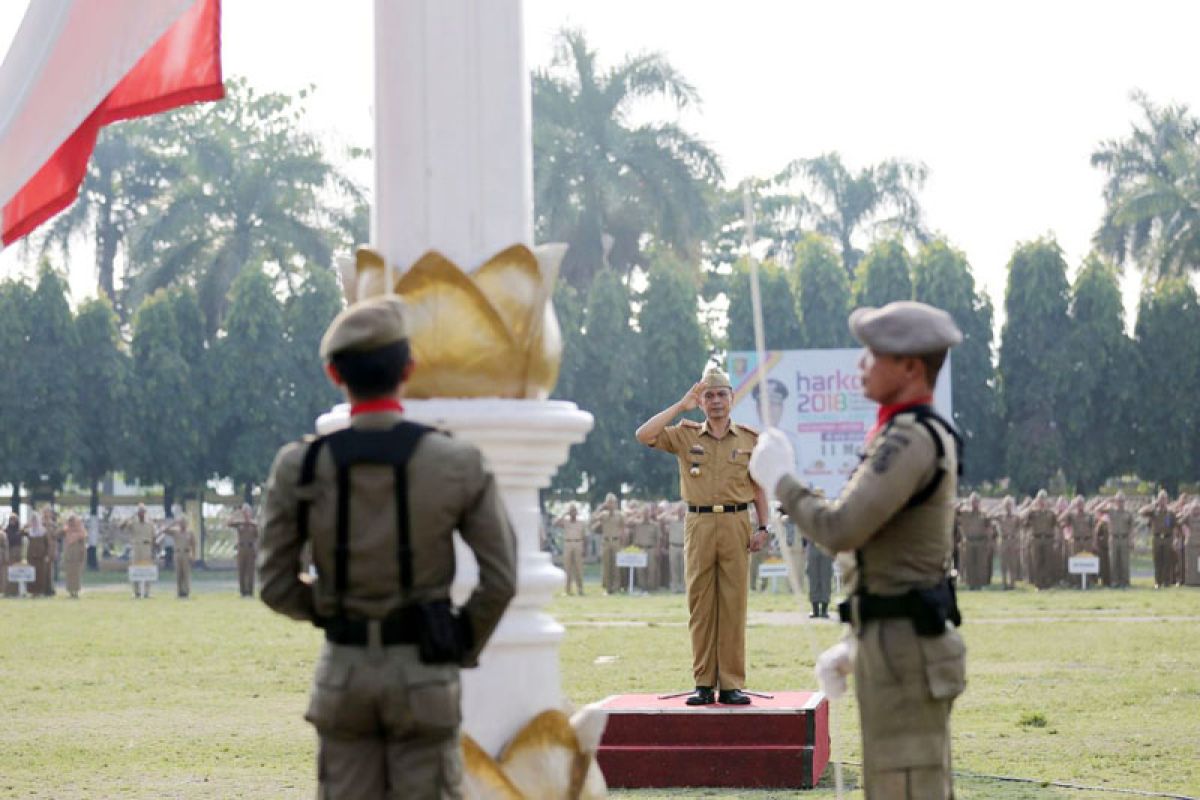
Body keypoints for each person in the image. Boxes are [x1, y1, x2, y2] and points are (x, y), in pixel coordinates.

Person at [257, 295, 517, 798]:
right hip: (424, 669)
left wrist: (333, 610)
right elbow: (501, 579)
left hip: (344, 672)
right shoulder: (455, 461)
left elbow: (273, 584)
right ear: (409, 370)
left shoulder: (302, 466)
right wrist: (458, 640)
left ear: (335, 375)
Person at [750, 300, 966, 799]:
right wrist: (857, 641)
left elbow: (841, 528)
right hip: (894, 643)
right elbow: (887, 554)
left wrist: (782, 481)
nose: (860, 365)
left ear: (911, 368)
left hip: (906, 651)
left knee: (907, 791)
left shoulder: (909, 438)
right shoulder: (900, 432)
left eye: (874, 354)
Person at [636, 366, 769, 707]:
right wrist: (680, 406)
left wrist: (763, 526)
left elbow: (759, 489)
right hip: (699, 523)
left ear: (732, 398)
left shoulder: (750, 440)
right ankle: (704, 683)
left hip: (737, 523)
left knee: (733, 604)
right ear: (701, 401)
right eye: (708, 396)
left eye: (721, 394)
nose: (716, 402)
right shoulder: (685, 435)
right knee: (700, 605)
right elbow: (644, 435)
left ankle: (731, 684)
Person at [1021, 491, 1058, 590]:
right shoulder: (1032, 513)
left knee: (1048, 562)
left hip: (1048, 539)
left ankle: (1047, 584)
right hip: (1036, 539)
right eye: (1040, 499)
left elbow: (1056, 525)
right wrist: (1030, 507)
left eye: (1043, 499)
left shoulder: (1051, 513)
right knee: (1037, 562)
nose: (1042, 501)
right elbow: (1023, 520)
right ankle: (1038, 584)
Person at [120, 504, 158, 598]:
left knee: (147, 569)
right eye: (140, 512)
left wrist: (154, 550)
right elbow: (121, 527)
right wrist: (130, 517)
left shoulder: (150, 523)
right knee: (135, 570)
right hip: (136, 547)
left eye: (143, 512)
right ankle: (136, 592)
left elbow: (154, 537)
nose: (141, 514)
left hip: (147, 546)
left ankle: (146, 592)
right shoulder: (133, 522)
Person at [1096, 493, 1134, 588]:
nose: (1120, 503)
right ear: (1115, 501)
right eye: (1118, 501)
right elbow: (1098, 510)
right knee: (1113, 561)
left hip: (1124, 538)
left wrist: (1131, 540)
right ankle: (1115, 581)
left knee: (1124, 562)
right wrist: (1108, 500)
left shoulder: (1128, 513)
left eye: (1122, 501)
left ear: (1124, 502)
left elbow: (1131, 528)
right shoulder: (1111, 511)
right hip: (1113, 538)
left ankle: (1125, 582)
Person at [590, 493, 625, 594]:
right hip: (606, 541)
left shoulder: (620, 515)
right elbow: (592, 519)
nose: (611, 505)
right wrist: (600, 508)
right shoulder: (603, 515)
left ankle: (616, 587)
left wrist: (622, 543)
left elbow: (623, 529)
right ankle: (608, 588)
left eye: (612, 502)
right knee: (606, 566)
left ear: (616, 503)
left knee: (616, 566)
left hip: (616, 541)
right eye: (609, 502)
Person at [1139, 491, 1176, 588]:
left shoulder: (1170, 513)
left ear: (1167, 500)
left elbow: (1174, 526)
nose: (1163, 501)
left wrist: (1174, 540)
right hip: (1157, 538)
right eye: (1161, 499)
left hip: (1168, 538)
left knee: (1167, 560)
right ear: (1158, 500)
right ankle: (1157, 582)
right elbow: (1141, 512)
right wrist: (1153, 504)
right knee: (1157, 561)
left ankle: (1166, 582)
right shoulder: (1153, 511)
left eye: (1164, 499)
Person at [956, 493, 991, 590]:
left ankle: (979, 584)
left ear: (979, 503)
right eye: (972, 501)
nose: (974, 503)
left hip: (981, 541)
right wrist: (962, 503)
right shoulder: (965, 513)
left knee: (980, 564)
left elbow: (988, 527)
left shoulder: (983, 514)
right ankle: (971, 584)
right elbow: (954, 511)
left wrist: (988, 541)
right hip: (969, 541)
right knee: (969, 563)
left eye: (976, 501)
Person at [990, 496, 1021, 589]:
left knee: (1013, 563)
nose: (1008, 507)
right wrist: (999, 507)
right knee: (1003, 563)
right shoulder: (1000, 516)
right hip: (1003, 540)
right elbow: (990, 515)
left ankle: (1012, 584)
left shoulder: (1016, 517)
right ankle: (1004, 583)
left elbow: (1020, 525)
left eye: (1010, 505)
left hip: (1012, 540)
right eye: (1006, 505)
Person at [554, 504, 586, 596]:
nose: (573, 513)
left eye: (574, 511)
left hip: (578, 543)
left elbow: (585, 536)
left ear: (577, 512)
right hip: (568, 543)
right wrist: (564, 514)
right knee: (567, 568)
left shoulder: (581, 522)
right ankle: (567, 590)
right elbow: (555, 523)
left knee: (578, 568)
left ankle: (580, 589)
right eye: (571, 511)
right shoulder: (566, 521)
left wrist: (584, 549)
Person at [229, 504, 259, 598]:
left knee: (250, 571)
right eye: (244, 512)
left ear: (250, 513)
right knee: (241, 570)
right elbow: (229, 523)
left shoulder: (254, 524)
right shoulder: (239, 523)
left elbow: (259, 535)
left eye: (247, 512)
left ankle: (250, 592)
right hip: (241, 549)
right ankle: (243, 592)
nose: (246, 514)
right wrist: (236, 514)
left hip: (250, 549)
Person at [163, 515, 197, 598]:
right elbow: (164, 530)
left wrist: (193, 555)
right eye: (181, 522)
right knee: (178, 574)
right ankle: (179, 592)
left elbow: (193, 544)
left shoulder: (190, 532)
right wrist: (173, 523)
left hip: (186, 554)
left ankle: (186, 592)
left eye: (184, 523)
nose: (182, 524)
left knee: (186, 573)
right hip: (177, 554)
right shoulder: (175, 531)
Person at [25, 511, 51, 596]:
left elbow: (48, 544)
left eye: (35, 520)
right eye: (33, 520)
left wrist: (47, 555)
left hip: (41, 557)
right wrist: (27, 525)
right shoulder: (29, 531)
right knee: (31, 574)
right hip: (31, 557)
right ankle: (32, 592)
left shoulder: (43, 531)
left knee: (40, 575)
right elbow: (20, 532)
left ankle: (40, 592)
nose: (34, 522)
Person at [62, 514, 87, 599]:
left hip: (76, 555)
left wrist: (82, 555)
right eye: (70, 521)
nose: (71, 523)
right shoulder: (66, 531)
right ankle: (70, 592)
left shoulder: (81, 533)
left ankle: (76, 592)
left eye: (73, 521)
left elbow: (83, 545)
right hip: (68, 555)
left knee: (76, 574)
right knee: (69, 574)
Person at [665, 501, 686, 593]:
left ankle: (683, 587)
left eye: (682, 509)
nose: (680, 511)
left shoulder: (688, 521)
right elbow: (662, 517)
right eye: (679, 509)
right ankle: (675, 587)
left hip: (684, 546)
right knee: (674, 568)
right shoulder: (672, 520)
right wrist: (672, 510)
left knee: (684, 568)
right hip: (673, 546)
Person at [3, 513, 21, 597]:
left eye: (13, 519)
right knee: (8, 574)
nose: (12, 521)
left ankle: (15, 591)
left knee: (16, 573)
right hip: (8, 553)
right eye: (11, 519)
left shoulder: (19, 531)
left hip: (16, 554)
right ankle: (7, 591)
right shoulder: (6, 531)